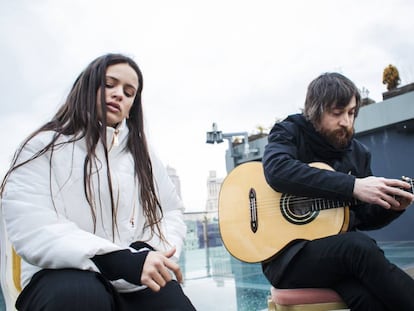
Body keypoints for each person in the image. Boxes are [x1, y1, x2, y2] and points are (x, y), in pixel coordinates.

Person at [0, 53, 195, 310]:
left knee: (170, 299)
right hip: (59, 274)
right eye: (109, 84)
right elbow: (32, 223)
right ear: (88, 85)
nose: (119, 95)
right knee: (81, 296)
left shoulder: (143, 158)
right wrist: (117, 260)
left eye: (129, 92)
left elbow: (171, 210)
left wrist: (148, 250)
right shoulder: (42, 147)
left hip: (131, 277)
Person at [262, 72, 414, 311]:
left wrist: (391, 207)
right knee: (359, 247)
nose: (347, 121)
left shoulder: (358, 153)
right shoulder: (290, 130)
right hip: (289, 257)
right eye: (337, 113)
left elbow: (361, 216)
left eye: (352, 112)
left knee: (367, 297)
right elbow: (276, 170)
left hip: (338, 256)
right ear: (314, 111)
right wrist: (353, 186)